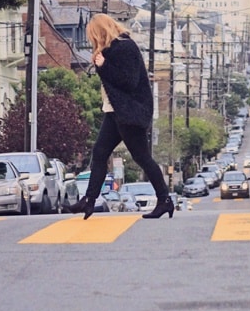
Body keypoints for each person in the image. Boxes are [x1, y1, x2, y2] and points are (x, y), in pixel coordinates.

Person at [68, 13, 173, 220]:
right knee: (99, 152)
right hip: (115, 111)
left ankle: (165, 200)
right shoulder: (111, 50)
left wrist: (104, 66)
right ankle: (89, 200)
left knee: (142, 157)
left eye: (93, 35)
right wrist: (103, 65)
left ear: (101, 32)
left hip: (130, 112)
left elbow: (128, 81)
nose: (92, 40)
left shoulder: (125, 47)